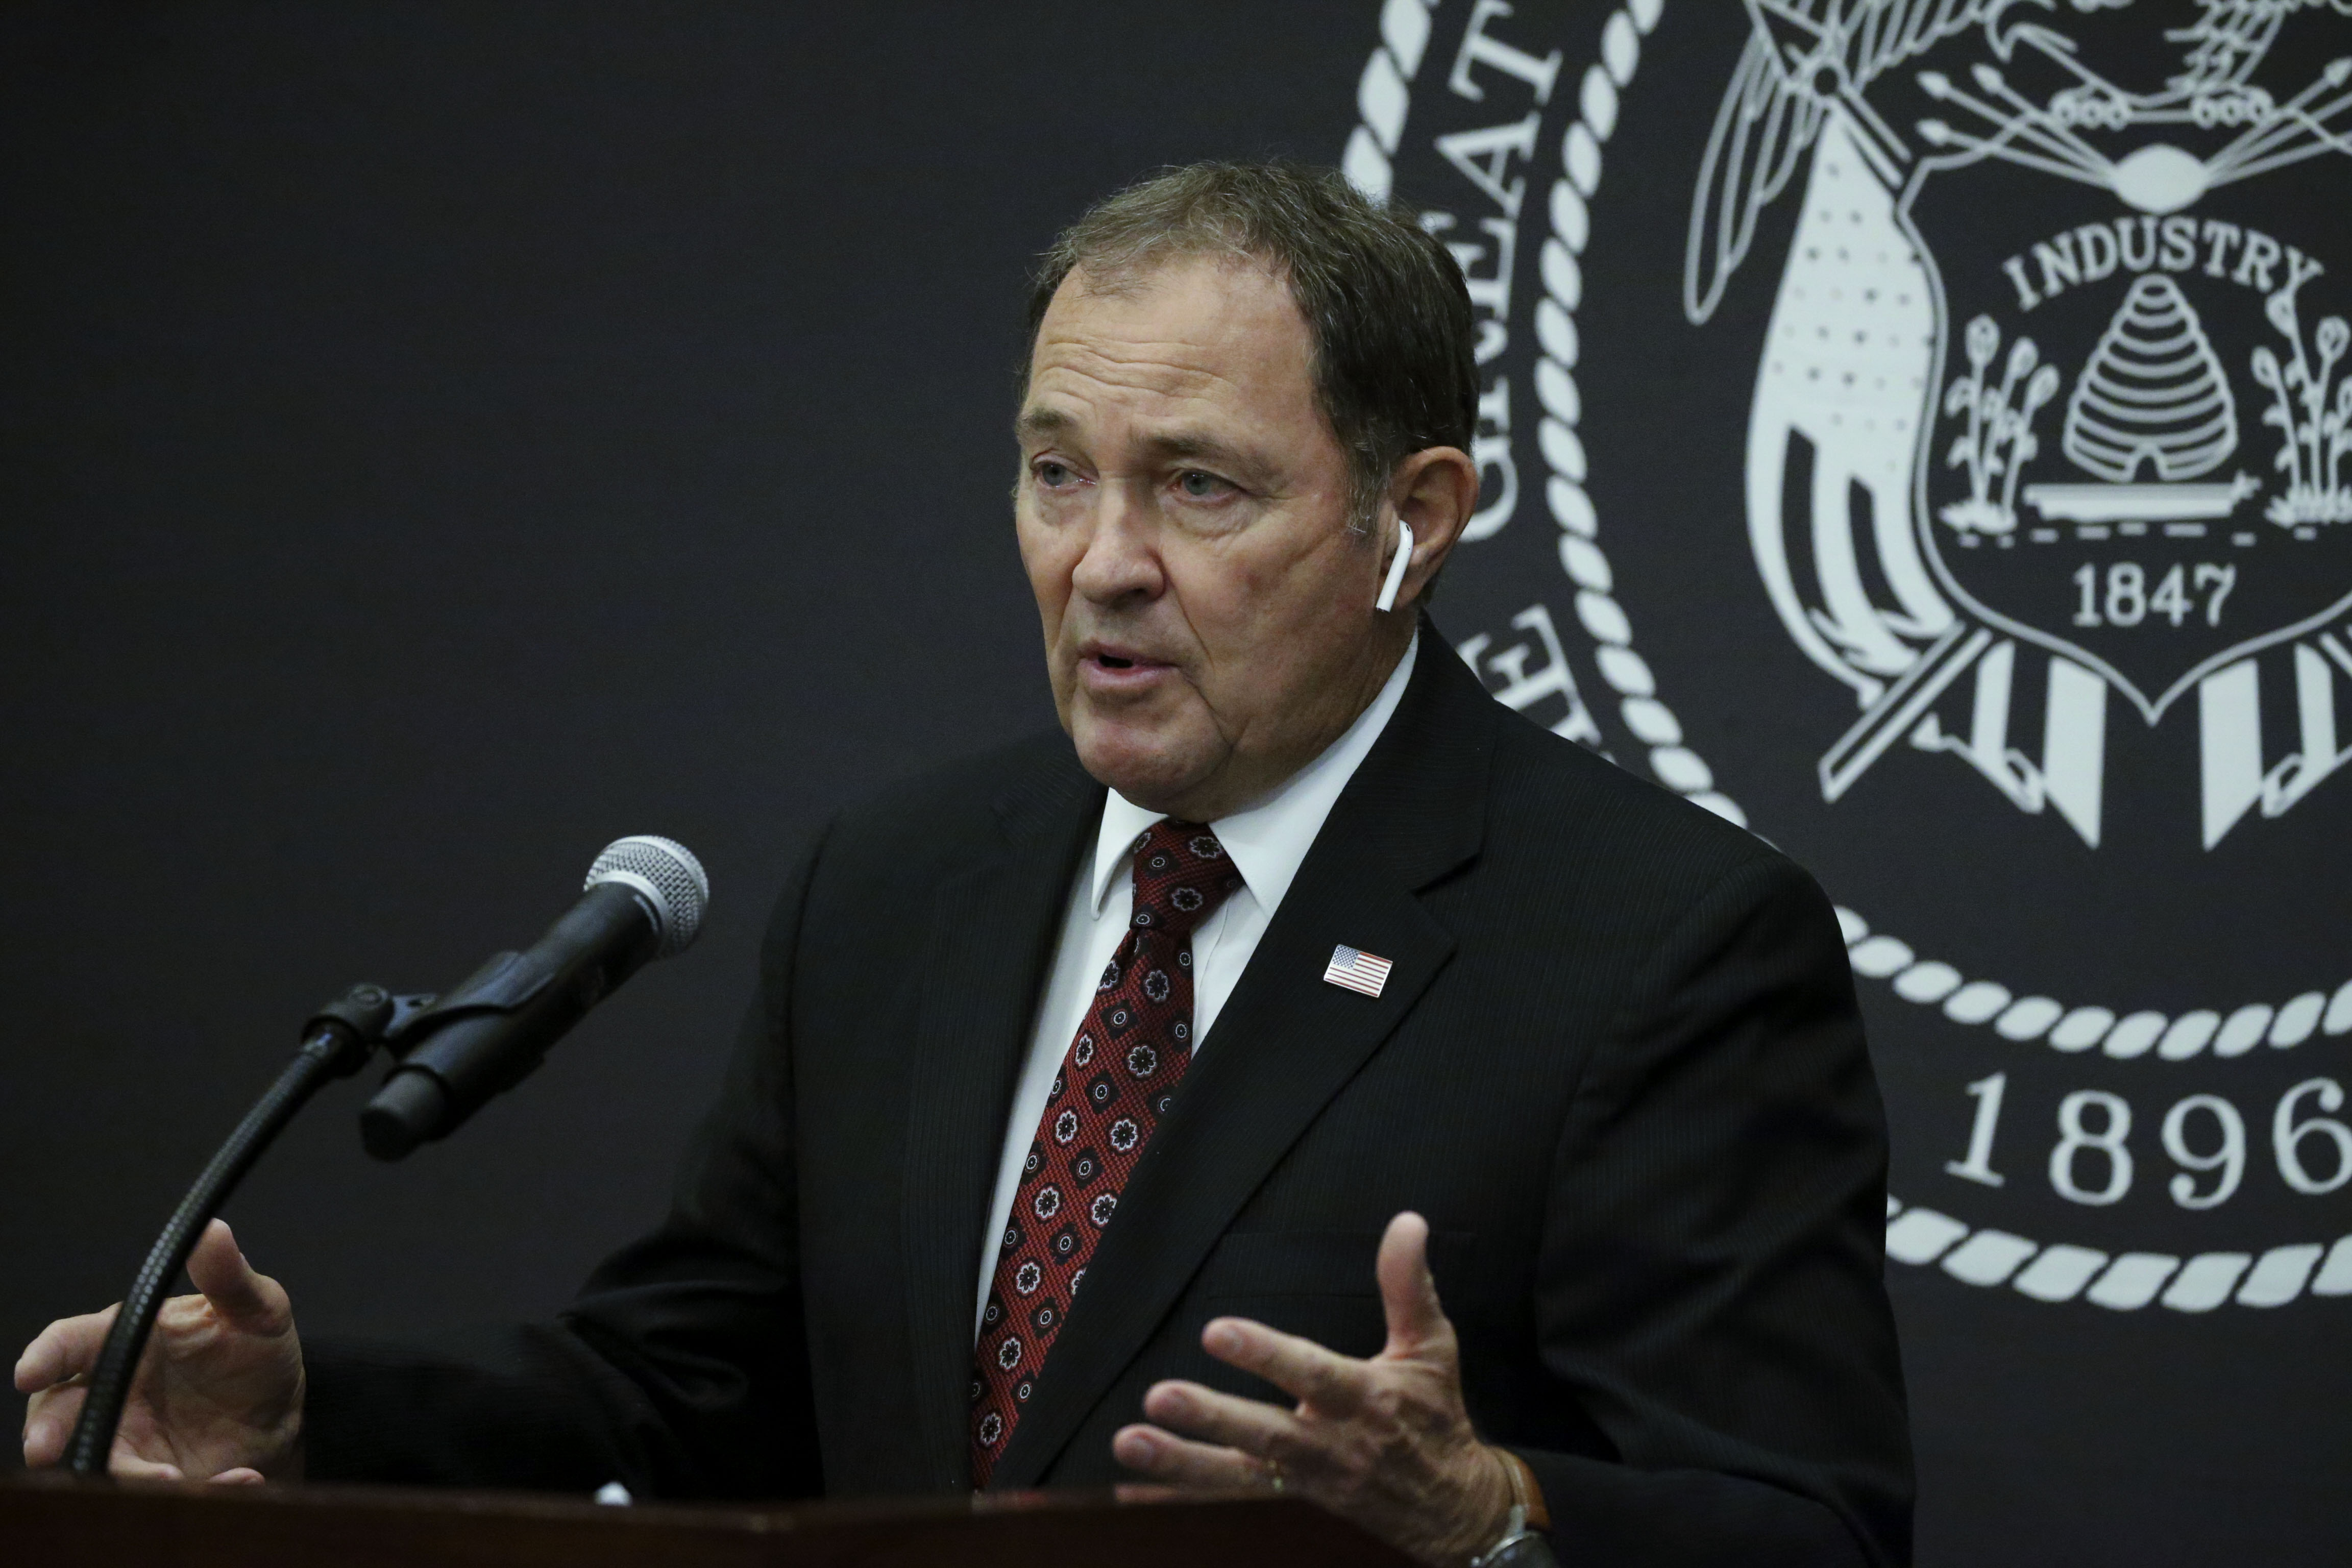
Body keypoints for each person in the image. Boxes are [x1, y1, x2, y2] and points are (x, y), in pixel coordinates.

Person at [18, 162, 1912, 1567]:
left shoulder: (1652, 945)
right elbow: (702, 1388)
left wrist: (1487, 1513)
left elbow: (1808, 1531)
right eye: (1056, 470)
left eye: (1199, 485)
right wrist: (310, 1412)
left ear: (1412, 521)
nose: (1102, 563)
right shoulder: (903, 885)